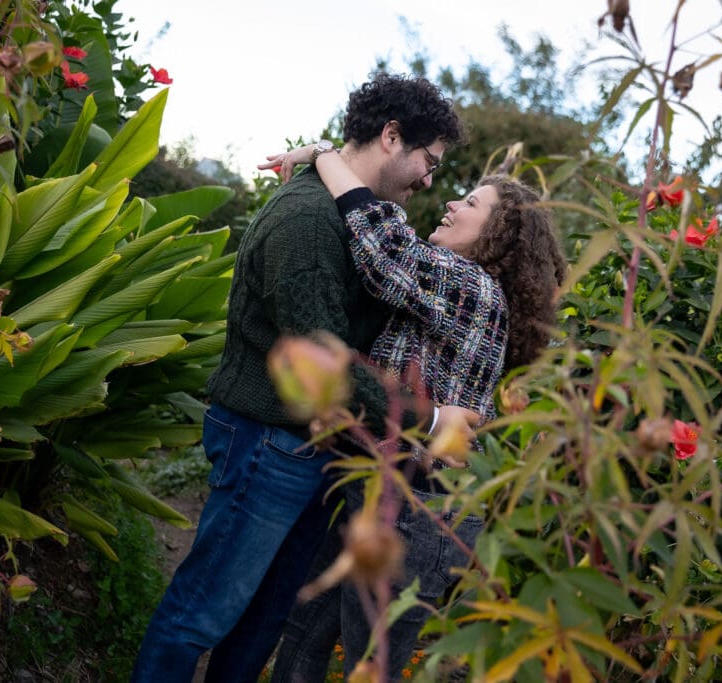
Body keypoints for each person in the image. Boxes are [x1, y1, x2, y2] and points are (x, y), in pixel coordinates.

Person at [130, 73, 470, 683]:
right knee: (204, 611)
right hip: (270, 440)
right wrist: (432, 419)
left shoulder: (362, 216)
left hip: (315, 448)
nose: (429, 179)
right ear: (392, 137)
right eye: (429, 161)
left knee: (263, 619)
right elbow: (325, 362)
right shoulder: (309, 220)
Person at [262, 142, 567, 681]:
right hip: (386, 487)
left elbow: (381, 247)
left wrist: (324, 155)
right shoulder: (466, 290)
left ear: (499, 233)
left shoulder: (472, 287)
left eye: (470, 203)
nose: (451, 205)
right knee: (308, 631)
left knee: (368, 664)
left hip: (416, 505)